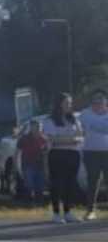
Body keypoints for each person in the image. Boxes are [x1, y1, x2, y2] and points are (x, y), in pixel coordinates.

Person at [44, 93, 84, 224]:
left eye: (70, 103)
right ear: (59, 104)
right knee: (57, 184)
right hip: (57, 155)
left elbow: (80, 136)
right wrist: (71, 139)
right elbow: (53, 139)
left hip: (73, 155)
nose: (69, 105)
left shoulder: (74, 119)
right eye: (67, 103)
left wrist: (69, 139)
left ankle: (68, 212)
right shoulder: (50, 120)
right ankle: (56, 213)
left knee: (70, 184)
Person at [79, 89, 108, 220]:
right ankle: (90, 210)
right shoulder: (85, 113)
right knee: (93, 182)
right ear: (91, 101)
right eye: (96, 99)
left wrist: (98, 125)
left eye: (101, 99)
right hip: (91, 152)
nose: (98, 101)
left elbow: (98, 127)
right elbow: (90, 126)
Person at [15, 119, 48, 205]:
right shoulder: (24, 139)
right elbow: (17, 152)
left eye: (39, 127)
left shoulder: (44, 139)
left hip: (40, 165)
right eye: (36, 126)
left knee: (40, 186)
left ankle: (39, 203)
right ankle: (27, 203)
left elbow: (46, 153)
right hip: (27, 165)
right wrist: (17, 166)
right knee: (29, 184)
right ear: (31, 127)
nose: (38, 128)